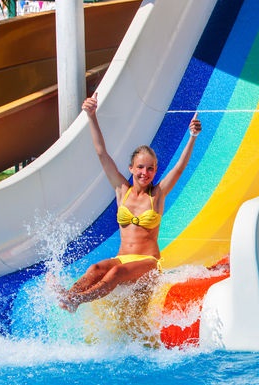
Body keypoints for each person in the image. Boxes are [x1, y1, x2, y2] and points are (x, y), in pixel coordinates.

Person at [53, 93, 201, 312]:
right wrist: (91, 116)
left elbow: (179, 167)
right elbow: (102, 153)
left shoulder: (157, 194)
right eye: (140, 167)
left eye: (150, 168)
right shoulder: (122, 190)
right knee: (95, 268)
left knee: (116, 273)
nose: (145, 173)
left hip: (148, 262)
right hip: (123, 258)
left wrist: (192, 137)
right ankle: (70, 295)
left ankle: (77, 300)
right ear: (131, 168)